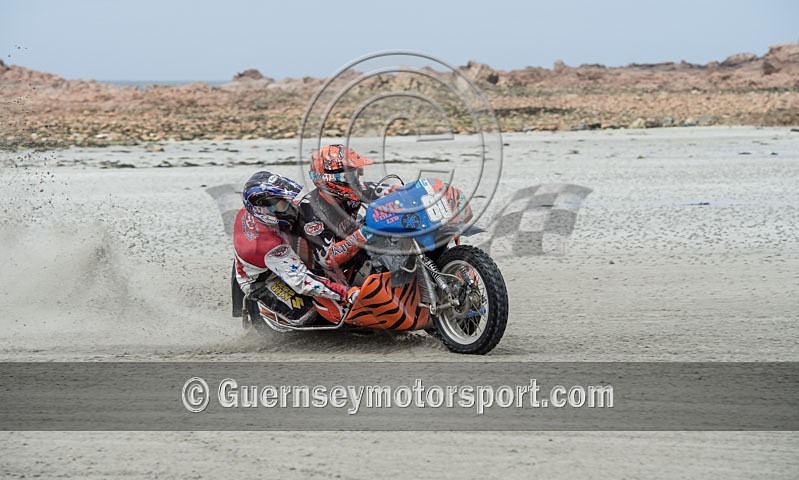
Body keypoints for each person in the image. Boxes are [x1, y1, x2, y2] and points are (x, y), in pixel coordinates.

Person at [233, 171, 350, 326]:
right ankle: (266, 312)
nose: (290, 207)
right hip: (262, 279)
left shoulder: (252, 210)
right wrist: (346, 293)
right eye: (282, 205)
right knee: (307, 314)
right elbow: (302, 281)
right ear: (263, 209)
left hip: (263, 254)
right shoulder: (266, 245)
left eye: (288, 201)